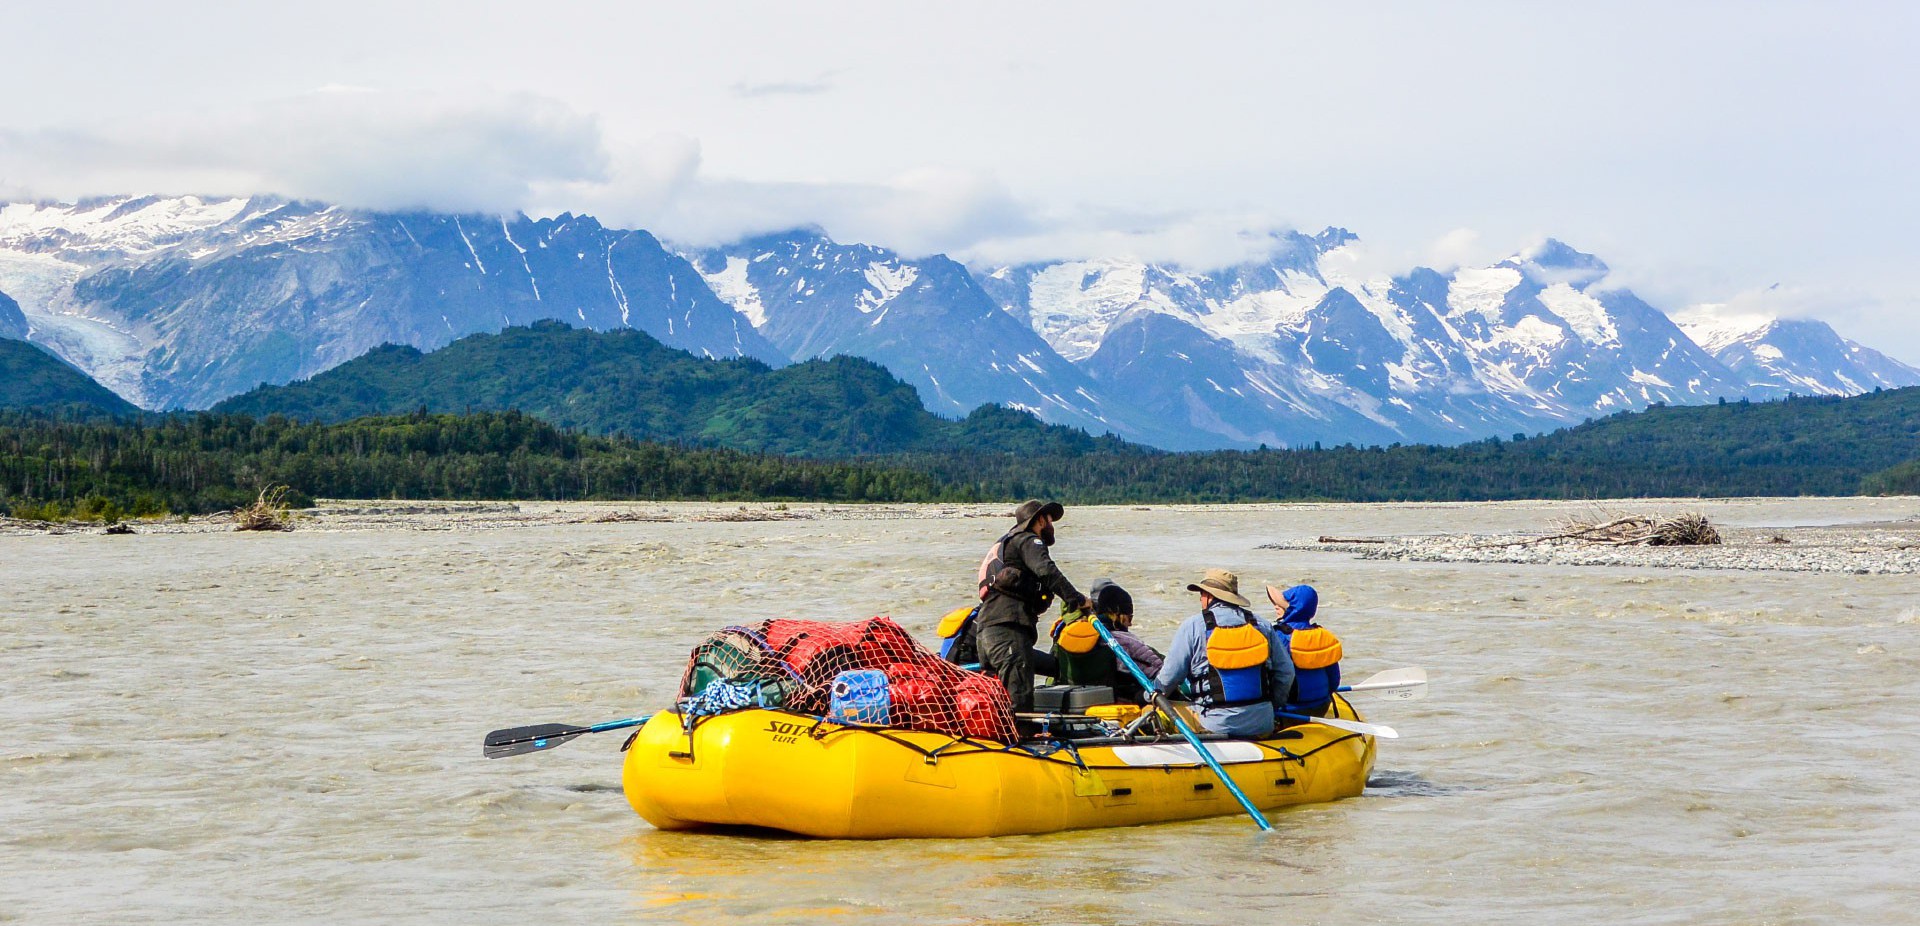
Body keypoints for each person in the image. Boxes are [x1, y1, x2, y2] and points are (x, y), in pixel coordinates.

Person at [1148, 569, 1294, 737]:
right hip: (1262, 722)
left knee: (1151, 709)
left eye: (1201, 594)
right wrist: (1272, 706)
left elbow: (1168, 680)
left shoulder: (1193, 626)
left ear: (1209, 596)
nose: (1200, 599)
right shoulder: (1261, 625)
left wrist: (1146, 695)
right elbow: (1286, 673)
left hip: (1215, 725)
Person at [974, 499, 1087, 713]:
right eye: (1050, 519)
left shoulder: (1006, 544)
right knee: (1020, 700)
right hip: (1008, 630)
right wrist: (1077, 600)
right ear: (1041, 520)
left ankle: (999, 741)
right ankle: (1021, 741)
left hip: (986, 631)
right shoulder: (1027, 540)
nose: (1052, 525)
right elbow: (1046, 570)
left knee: (997, 700)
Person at [1051, 579, 1164, 702]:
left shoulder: (1062, 635)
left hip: (1075, 701)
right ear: (1115, 612)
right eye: (1129, 617)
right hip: (1118, 701)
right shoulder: (1124, 641)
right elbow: (1161, 672)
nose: (1130, 624)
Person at [1268, 584, 1343, 718]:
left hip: (1290, 710)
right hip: (1321, 706)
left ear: (1294, 609)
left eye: (1282, 604)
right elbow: (1334, 680)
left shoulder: (1278, 636)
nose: (1276, 606)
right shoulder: (1322, 635)